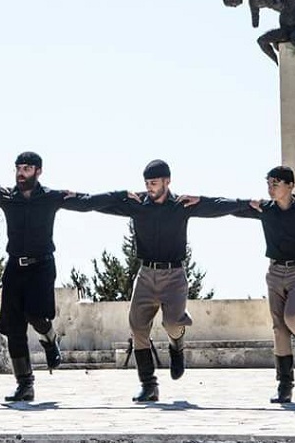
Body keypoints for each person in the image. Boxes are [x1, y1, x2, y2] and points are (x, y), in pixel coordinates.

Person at [0, 151, 128, 403]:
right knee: (13, 328)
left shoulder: (50, 197)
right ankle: (25, 385)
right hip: (14, 267)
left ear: (38, 171)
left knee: (36, 315)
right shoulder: (6, 196)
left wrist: (122, 195)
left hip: (41, 266)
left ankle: (50, 338)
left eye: (27, 168)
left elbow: (87, 201)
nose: (21, 173)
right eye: (18, 168)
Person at [91, 159, 252, 402]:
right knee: (137, 327)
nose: (149, 187)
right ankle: (149, 385)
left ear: (167, 181)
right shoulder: (137, 205)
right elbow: (96, 205)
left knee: (173, 323)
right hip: (146, 275)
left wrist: (243, 203)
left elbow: (217, 207)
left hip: (174, 276)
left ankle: (177, 345)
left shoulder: (182, 205)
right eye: (147, 183)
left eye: (154, 182)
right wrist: (119, 194)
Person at [233, 165, 295, 404]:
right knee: (279, 329)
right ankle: (284, 386)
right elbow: (234, 209)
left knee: (292, 318)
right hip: (275, 272)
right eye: (268, 183)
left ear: (290, 185)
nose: (270, 188)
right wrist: (201, 203)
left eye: (275, 183)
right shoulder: (265, 210)